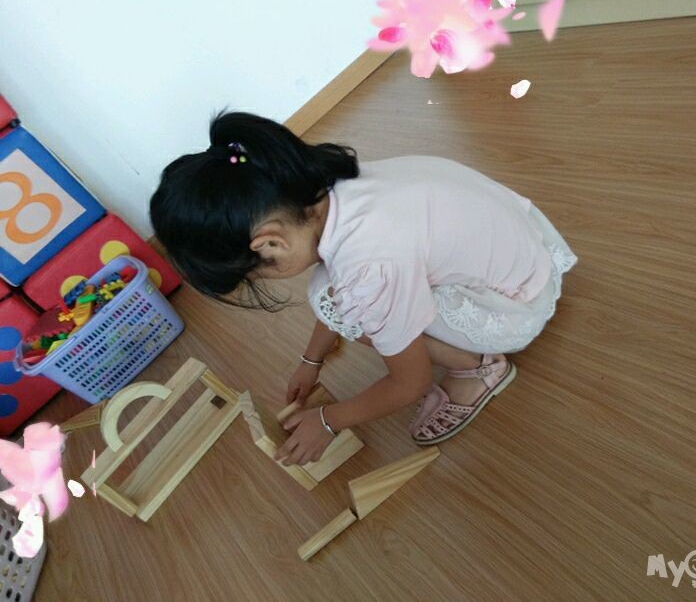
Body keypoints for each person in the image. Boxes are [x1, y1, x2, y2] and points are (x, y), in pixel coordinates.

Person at [150, 111, 577, 465]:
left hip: (515, 306)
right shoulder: (328, 187)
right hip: (527, 253)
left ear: (270, 244)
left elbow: (410, 383)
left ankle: (477, 369)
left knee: (341, 301)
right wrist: (311, 360)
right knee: (338, 296)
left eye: (256, 275)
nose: (261, 279)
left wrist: (329, 420)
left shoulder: (368, 263)